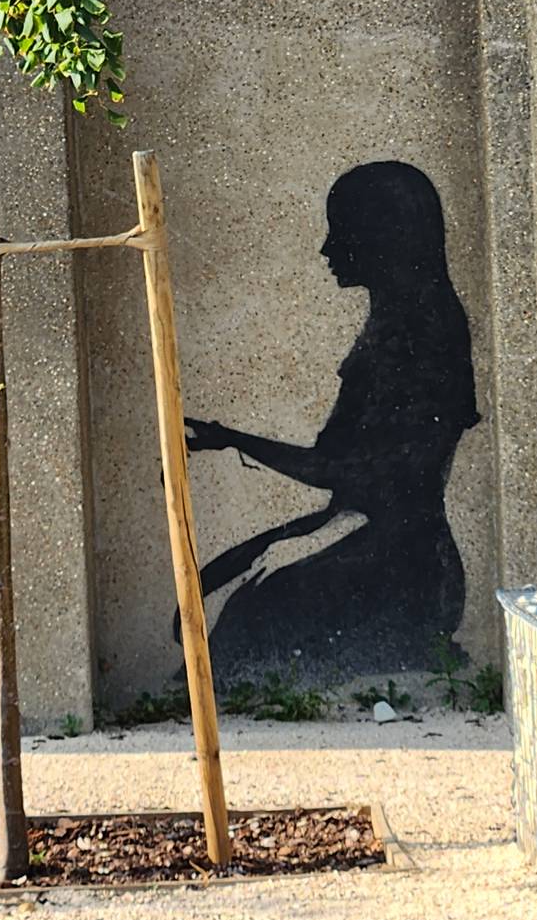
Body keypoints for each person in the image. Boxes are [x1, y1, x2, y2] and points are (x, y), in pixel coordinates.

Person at [183, 160, 478, 675]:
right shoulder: (405, 325)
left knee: (249, 617)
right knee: (230, 596)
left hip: (401, 568)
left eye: (341, 233)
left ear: (384, 238)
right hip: (391, 547)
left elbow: (349, 472)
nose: (326, 250)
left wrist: (232, 440)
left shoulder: (415, 339)